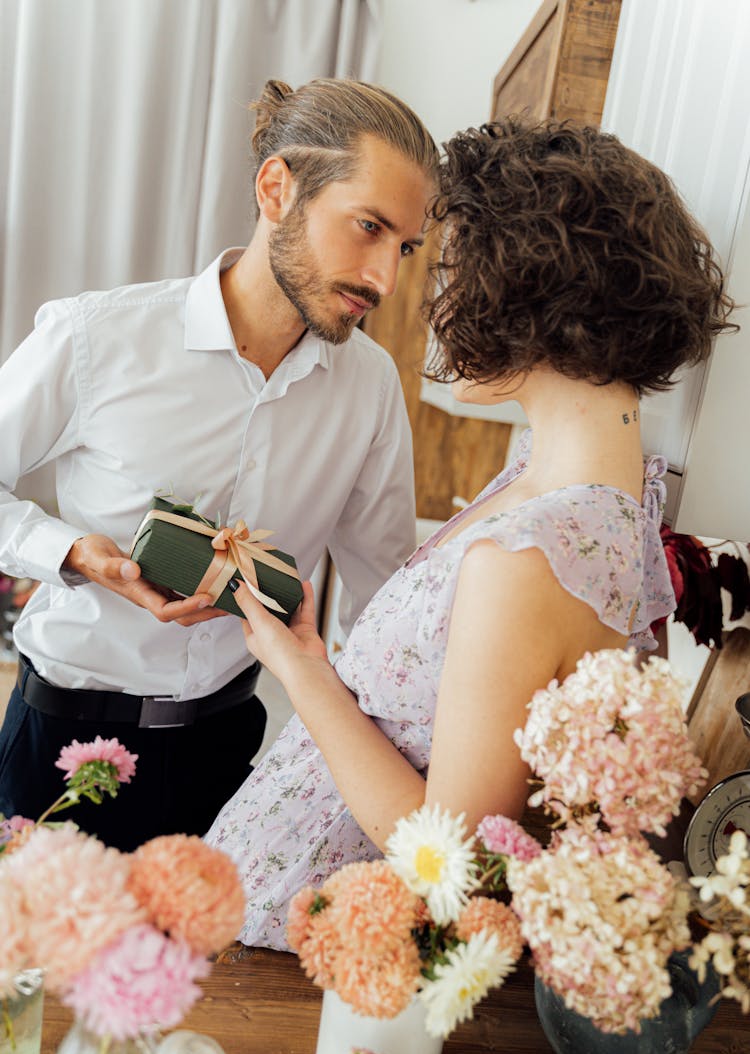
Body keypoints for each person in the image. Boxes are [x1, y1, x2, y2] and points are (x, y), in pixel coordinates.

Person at [204, 116, 735, 949]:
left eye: (452, 270)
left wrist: (295, 668)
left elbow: (450, 863)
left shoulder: (531, 552)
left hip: (308, 951)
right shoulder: (577, 488)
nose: (438, 303)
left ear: (530, 297)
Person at [0, 78, 439, 850]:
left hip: (231, 753)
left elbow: (383, 598)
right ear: (277, 188)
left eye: (403, 246)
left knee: (217, 976)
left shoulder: (370, 389)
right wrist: (71, 552)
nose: (385, 280)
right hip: (62, 743)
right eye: (367, 227)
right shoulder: (96, 337)